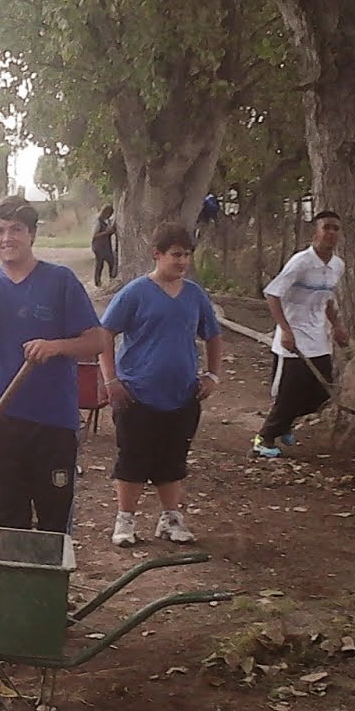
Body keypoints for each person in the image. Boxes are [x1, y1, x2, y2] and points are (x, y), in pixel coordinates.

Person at [0, 196, 105, 532]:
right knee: (5, 516)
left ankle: (48, 582)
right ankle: (12, 583)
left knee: (54, 516)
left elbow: (98, 340)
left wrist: (57, 346)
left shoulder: (59, 281)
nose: (7, 238)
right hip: (0, 419)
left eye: (16, 229)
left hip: (53, 421)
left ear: (32, 234)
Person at [99, 222, 224, 547]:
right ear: (157, 254)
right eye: (176, 255)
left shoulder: (195, 295)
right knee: (133, 459)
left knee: (173, 460)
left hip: (182, 395)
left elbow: (212, 335)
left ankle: (170, 518)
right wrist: (110, 379)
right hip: (136, 395)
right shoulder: (135, 293)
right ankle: (125, 520)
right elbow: (105, 334)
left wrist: (212, 374)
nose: (182, 261)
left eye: (187, 255)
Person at [253, 210, 349, 458]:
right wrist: (285, 330)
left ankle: (285, 423)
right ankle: (264, 438)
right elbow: (272, 294)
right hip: (293, 338)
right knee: (289, 393)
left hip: (318, 337)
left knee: (321, 393)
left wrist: (337, 325)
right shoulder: (301, 262)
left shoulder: (337, 266)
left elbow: (327, 300)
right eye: (326, 227)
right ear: (315, 232)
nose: (331, 233)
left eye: (336, 228)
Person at [91, 205, 118, 287]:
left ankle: (111, 279)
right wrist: (106, 233)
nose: (110, 215)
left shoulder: (107, 221)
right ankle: (98, 282)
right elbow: (94, 235)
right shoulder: (98, 222)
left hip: (106, 246)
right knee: (100, 263)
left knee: (111, 262)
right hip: (98, 246)